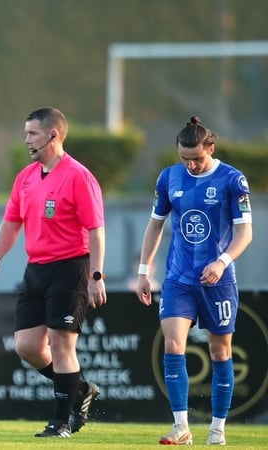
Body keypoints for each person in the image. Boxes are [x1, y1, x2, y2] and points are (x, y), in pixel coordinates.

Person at [0, 107, 105, 438]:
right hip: (36, 268)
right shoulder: (25, 177)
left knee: (62, 345)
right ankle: (79, 389)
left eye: (32, 134)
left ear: (54, 135)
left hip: (70, 268)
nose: (27, 140)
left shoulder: (79, 176)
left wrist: (96, 276)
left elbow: (96, 229)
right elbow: (12, 222)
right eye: (26, 134)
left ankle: (60, 422)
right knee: (27, 346)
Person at [135, 116, 252, 446]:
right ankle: (181, 427)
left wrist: (222, 260)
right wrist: (144, 272)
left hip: (218, 280)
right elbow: (155, 225)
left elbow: (246, 232)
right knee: (173, 344)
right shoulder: (169, 177)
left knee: (219, 351)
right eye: (184, 159)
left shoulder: (233, 179)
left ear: (210, 149)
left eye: (197, 158)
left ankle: (217, 428)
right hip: (179, 278)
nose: (191, 165)